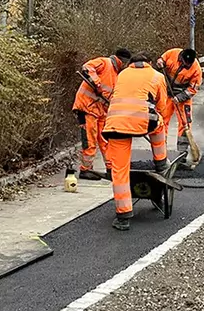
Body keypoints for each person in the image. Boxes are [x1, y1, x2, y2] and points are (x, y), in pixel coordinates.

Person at [101, 52, 170, 231]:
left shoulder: (122, 74)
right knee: (160, 124)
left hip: (115, 124)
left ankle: (123, 216)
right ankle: (160, 161)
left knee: (120, 171)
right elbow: (162, 106)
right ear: (149, 63)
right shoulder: (157, 76)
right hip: (143, 121)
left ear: (131, 63)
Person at [70, 48, 131, 182]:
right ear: (122, 61)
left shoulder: (117, 75)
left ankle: (110, 168)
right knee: (90, 141)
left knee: (105, 141)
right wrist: (96, 82)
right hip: (87, 108)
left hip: (101, 111)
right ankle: (86, 170)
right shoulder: (105, 63)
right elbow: (87, 66)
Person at [154, 47, 202, 148]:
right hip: (167, 93)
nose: (187, 66)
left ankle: (182, 150)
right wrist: (160, 62)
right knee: (162, 119)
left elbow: (193, 89)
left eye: (189, 64)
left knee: (185, 123)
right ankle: (161, 146)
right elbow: (161, 59)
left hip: (182, 96)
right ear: (181, 58)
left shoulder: (196, 69)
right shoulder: (172, 53)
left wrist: (179, 98)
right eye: (185, 63)